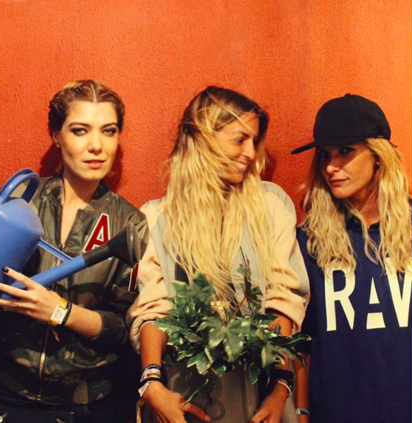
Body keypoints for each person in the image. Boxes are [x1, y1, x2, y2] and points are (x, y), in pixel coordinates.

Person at [128, 86, 309, 423]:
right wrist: (152, 383)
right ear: (204, 138)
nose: (250, 153)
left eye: (254, 141)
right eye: (240, 139)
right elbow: (154, 309)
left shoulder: (270, 206)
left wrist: (280, 387)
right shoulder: (158, 218)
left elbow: (283, 301)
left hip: (257, 392)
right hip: (183, 393)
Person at [0, 79, 148, 422]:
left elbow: (122, 329)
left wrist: (61, 311)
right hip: (4, 394)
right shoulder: (21, 204)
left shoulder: (130, 224)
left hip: (85, 405)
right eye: (80, 130)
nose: (96, 146)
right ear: (56, 135)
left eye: (108, 131)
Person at [291, 94, 412, 423]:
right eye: (324, 155)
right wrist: (302, 412)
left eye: (345, 151)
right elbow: (302, 342)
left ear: (378, 156)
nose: (331, 167)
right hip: (337, 411)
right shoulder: (310, 241)